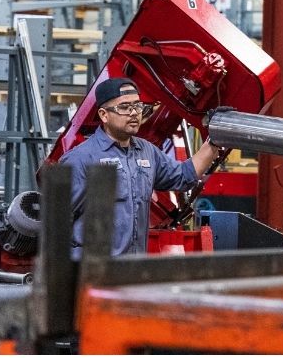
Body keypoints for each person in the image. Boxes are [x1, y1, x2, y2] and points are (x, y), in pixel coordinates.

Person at [59, 77, 220, 257]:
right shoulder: (81, 160)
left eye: (137, 106)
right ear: (104, 115)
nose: (134, 113)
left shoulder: (147, 152)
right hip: (93, 273)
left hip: (132, 271)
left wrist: (215, 138)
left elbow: (184, 176)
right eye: (125, 107)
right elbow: (57, 225)